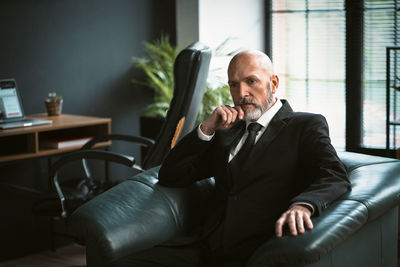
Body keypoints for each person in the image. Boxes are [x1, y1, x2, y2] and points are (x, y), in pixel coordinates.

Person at [107, 50, 351, 267]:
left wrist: (303, 205)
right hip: (204, 245)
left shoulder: (305, 125)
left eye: (251, 81)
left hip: (257, 251)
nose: (241, 93)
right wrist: (206, 129)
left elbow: (334, 174)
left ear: (273, 83)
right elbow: (171, 175)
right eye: (233, 85)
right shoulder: (229, 130)